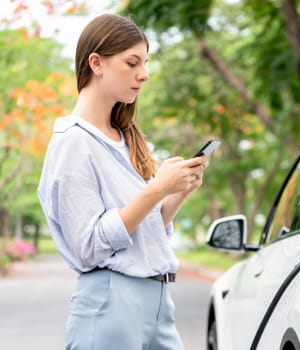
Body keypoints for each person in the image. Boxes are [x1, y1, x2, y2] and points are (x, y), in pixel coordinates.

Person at [37, 13, 207, 349]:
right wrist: (157, 187)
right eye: (132, 63)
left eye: (145, 63)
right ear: (96, 63)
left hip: (157, 301)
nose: (143, 75)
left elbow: (143, 228)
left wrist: (178, 191)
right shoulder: (73, 141)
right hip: (111, 302)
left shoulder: (125, 137)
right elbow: (89, 246)